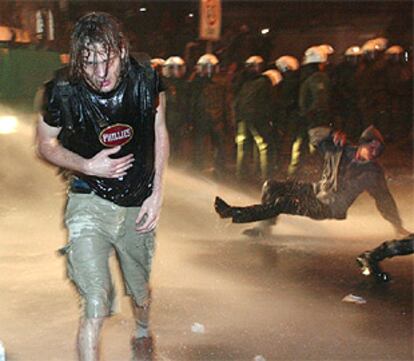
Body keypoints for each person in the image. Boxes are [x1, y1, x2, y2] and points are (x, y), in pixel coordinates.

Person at [36, 12, 168, 361]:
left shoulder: (146, 78)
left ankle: (142, 330)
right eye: (88, 61)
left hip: (135, 201)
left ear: (122, 52)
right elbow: (45, 144)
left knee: (139, 291)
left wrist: (156, 194)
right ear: (78, 59)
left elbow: (159, 132)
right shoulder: (62, 90)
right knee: (95, 300)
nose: (99, 72)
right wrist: (88, 165)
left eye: (106, 60)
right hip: (88, 199)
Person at [214, 125, 409, 238]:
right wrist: (330, 134)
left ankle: (232, 213)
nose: (375, 153)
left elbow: (384, 198)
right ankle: (264, 228)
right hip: (316, 191)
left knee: (284, 203)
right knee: (272, 186)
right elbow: (313, 136)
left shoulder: (373, 172)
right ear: (362, 143)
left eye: (378, 150)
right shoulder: (339, 150)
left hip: (329, 206)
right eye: (372, 147)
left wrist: (397, 225)